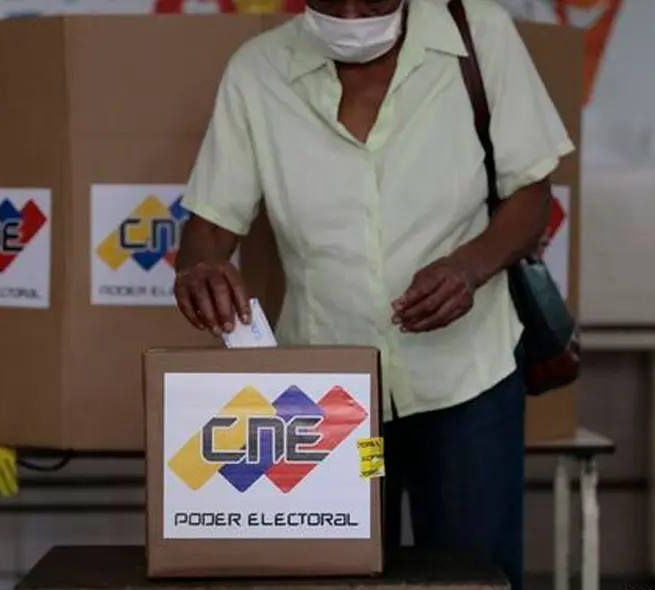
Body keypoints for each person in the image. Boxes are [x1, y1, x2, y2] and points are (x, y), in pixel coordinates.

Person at [172, 0, 573, 588]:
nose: (354, 14)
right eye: (334, 0)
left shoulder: (479, 37)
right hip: (323, 396)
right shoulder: (257, 73)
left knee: (472, 576)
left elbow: (532, 193)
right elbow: (208, 227)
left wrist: (469, 267)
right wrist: (201, 267)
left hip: (467, 381)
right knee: (334, 578)